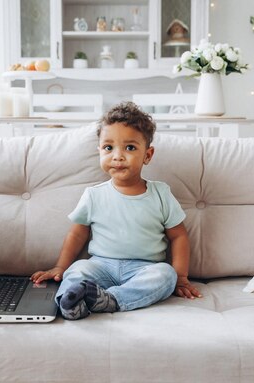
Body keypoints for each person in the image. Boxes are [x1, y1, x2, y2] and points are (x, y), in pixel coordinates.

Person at [30, 102, 202, 320]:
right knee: (78, 269)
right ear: (99, 151)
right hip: (101, 265)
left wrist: (181, 276)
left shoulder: (161, 193)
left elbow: (178, 236)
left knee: (165, 275)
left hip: (143, 269)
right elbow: (77, 233)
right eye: (108, 148)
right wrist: (60, 267)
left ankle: (112, 299)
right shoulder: (94, 195)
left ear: (147, 155)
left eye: (129, 148)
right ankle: (69, 304)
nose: (117, 156)